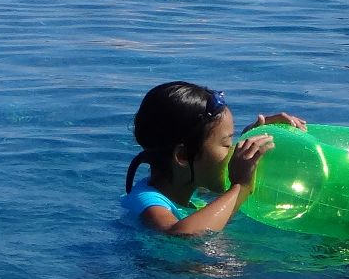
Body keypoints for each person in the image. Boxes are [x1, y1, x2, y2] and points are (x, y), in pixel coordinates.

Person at [121, 81, 307, 235]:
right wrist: (240, 186)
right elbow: (180, 234)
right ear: (183, 156)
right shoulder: (146, 202)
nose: (234, 151)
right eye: (227, 145)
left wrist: (254, 135)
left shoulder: (190, 188)